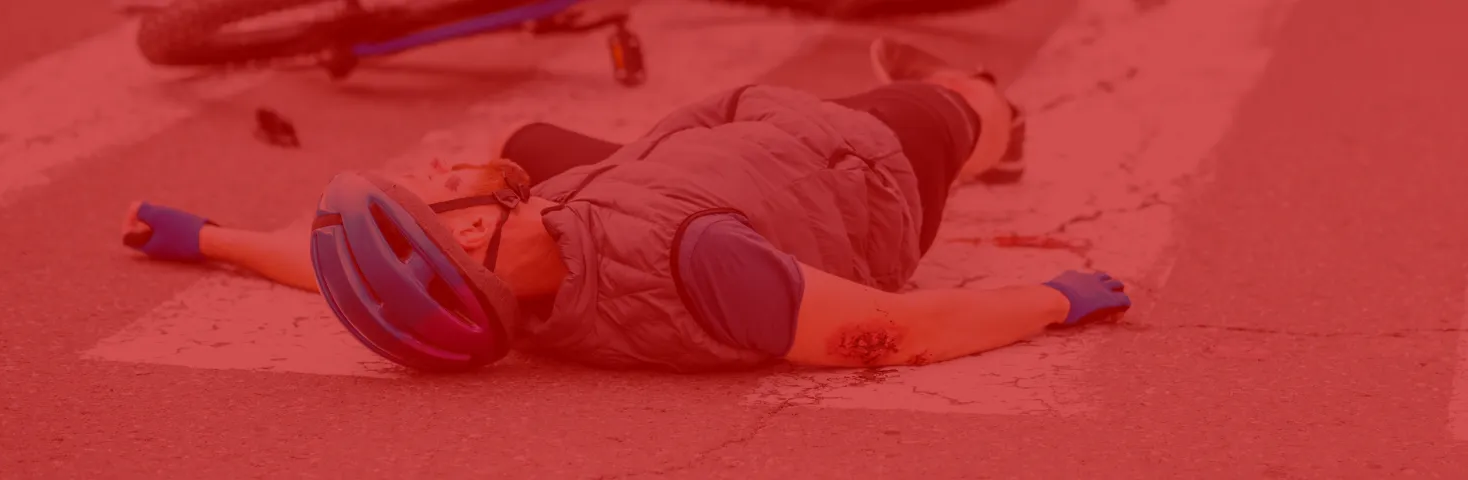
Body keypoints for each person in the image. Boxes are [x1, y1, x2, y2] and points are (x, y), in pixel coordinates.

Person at [121, 39, 1133, 372]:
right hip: (854, 175)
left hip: (671, 173)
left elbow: (341, 268)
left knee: (526, 143)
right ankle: (988, 110)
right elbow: (893, 330)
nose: (437, 176)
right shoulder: (707, 264)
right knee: (948, 108)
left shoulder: (512, 290)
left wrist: (206, 237)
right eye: (434, 196)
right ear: (470, 233)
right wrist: (1056, 298)